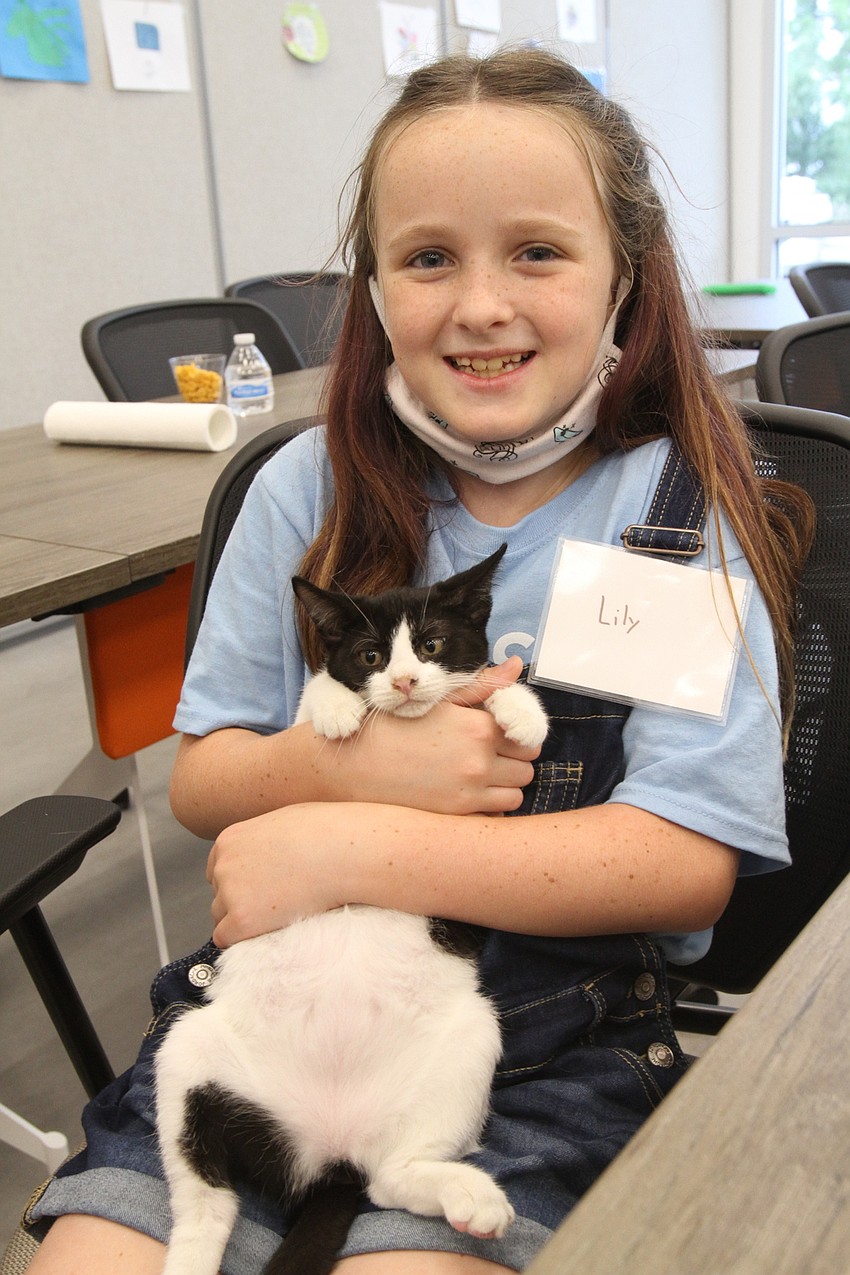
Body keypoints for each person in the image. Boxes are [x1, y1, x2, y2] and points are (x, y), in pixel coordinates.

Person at [24, 47, 812, 1275]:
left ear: (624, 280)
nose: (479, 306)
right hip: (276, 1018)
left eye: (538, 253)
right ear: (376, 286)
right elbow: (204, 774)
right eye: (428, 257)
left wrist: (349, 840)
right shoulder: (310, 490)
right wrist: (337, 774)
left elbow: (681, 865)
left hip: (543, 1040)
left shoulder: (670, 520)